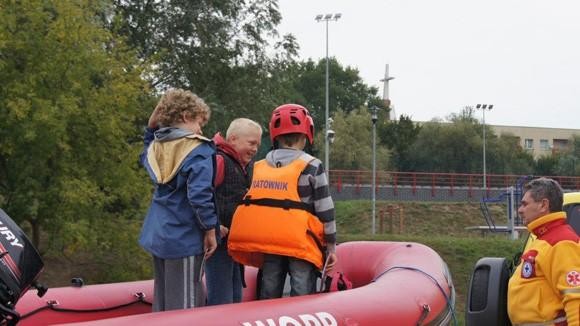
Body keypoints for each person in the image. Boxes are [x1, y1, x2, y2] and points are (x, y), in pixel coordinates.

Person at [228, 103, 337, 299]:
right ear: (306, 135)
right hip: (301, 242)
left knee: (269, 286)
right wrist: (331, 247)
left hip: (269, 240)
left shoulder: (259, 166)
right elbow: (325, 210)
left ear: (275, 135)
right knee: (301, 289)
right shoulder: (312, 166)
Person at [139, 89, 218, 312]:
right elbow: (199, 195)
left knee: (162, 302)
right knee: (185, 306)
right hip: (184, 237)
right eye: (199, 122)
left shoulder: (157, 147)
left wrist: (151, 125)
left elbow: (147, 143)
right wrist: (210, 230)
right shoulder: (198, 149)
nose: (201, 129)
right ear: (185, 116)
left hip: (158, 234)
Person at [204, 118, 263, 305]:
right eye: (251, 143)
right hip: (218, 243)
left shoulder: (244, 166)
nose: (255, 149)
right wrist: (213, 225)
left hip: (235, 244)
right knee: (221, 298)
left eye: (257, 145)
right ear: (233, 139)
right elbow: (200, 194)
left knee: (236, 296)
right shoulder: (219, 160)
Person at [508, 177, 580, 325]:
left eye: (524, 204)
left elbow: (575, 297)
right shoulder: (543, 239)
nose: (520, 210)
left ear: (543, 205)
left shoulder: (561, 242)